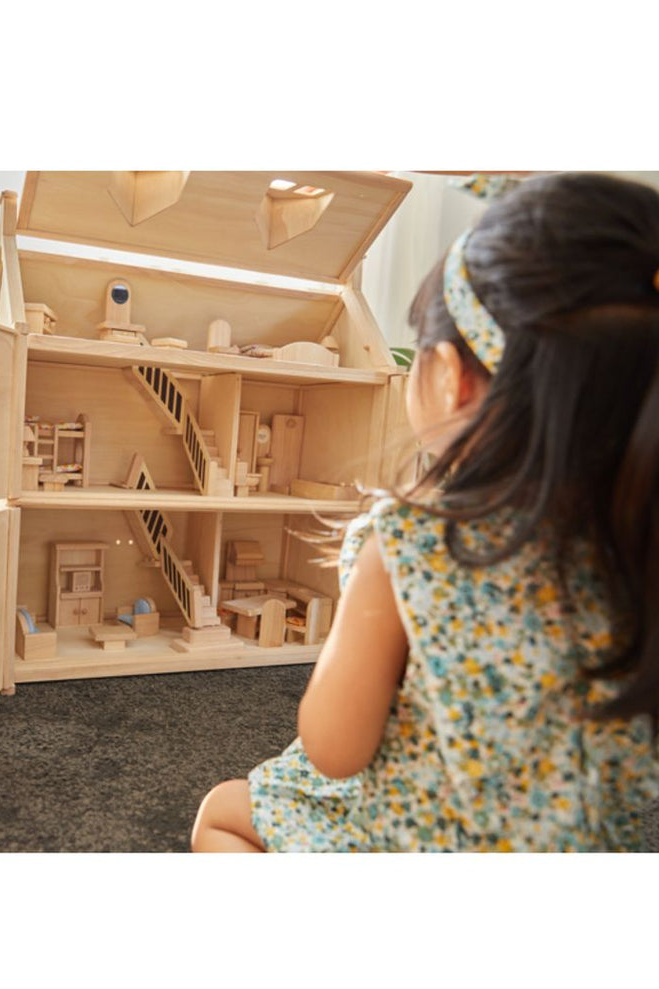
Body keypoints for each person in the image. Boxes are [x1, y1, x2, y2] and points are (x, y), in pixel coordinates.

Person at [191, 172, 659, 852]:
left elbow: (332, 749)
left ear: (446, 374)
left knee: (225, 812)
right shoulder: (642, 551)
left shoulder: (412, 546)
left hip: (406, 842)